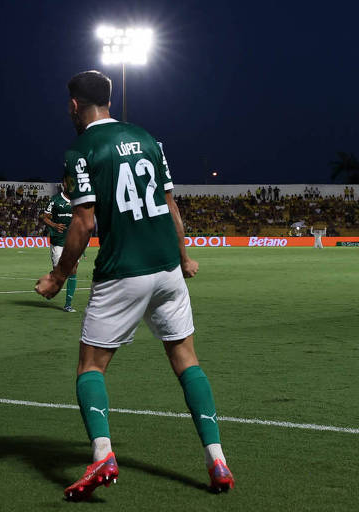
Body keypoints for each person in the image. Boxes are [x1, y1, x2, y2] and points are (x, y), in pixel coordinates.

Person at [35, 71, 234, 501]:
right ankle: (216, 457)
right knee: (187, 360)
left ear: (74, 105)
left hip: (123, 270)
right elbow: (169, 204)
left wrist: (58, 275)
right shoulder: (147, 138)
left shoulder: (80, 150)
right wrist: (183, 258)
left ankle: (103, 453)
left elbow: (84, 221)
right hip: (167, 268)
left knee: (91, 367)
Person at [41, 180, 78, 312]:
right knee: (60, 272)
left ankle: (68, 304)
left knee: (73, 270)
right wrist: (55, 225)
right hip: (58, 240)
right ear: (64, 184)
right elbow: (45, 217)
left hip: (74, 240)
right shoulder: (55, 200)